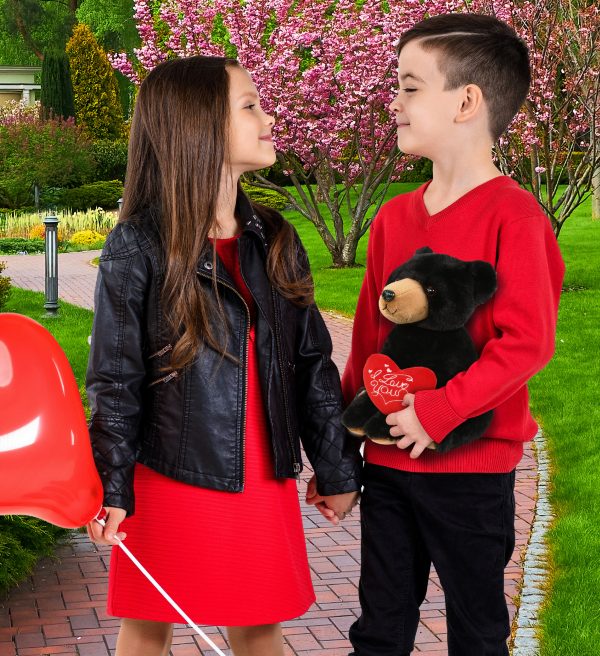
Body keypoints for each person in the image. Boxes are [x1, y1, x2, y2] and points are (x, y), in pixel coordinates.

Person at [85, 55, 361, 656]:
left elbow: (311, 362)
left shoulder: (276, 237)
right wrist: (111, 484)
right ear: (200, 125)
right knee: (148, 621)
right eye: (250, 106)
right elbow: (115, 378)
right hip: (165, 470)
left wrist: (336, 466)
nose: (269, 118)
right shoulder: (137, 245)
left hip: (262, 472)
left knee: (260, 621)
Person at [342, 13, 564, 656]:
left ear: (467, 102)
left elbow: (527, 342)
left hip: (471, 473)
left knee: (476, 632)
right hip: (388, 466)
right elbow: (368, 342)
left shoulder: (516, 218)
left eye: (410, 87)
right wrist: (342, 449)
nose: (394, 101)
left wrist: (439, 411)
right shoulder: (392, 218)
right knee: (379, 630)